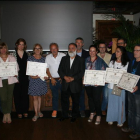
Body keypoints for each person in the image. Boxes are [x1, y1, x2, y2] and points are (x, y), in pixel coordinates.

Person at [58, 43, 85, 123]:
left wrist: (73, 78)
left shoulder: (81, 60)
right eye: (69, 48)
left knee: (75, 102)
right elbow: (60, 70)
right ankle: (64, 115)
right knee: (64, 101)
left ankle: (74, 116)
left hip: (75, 84)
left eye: (73, 48)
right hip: (65, 84)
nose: (71, 50)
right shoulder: (64, 59)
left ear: (76, 49)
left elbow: (82, 72)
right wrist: (65, 77)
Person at [106, 46, 129, 127]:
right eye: (116, 51)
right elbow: (108, 74)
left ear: (122, 53)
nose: (116, 53)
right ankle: (111, 118)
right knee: (111, 103)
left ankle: (120, 120)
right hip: (111, 86)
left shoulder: (126, 63)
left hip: (120, 87)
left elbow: (127, 76)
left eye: (118, 51)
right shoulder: (112, 62)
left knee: (120, 104)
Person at [85, 45, 107, 125]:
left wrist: (100, 80)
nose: (92, 52)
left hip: (97, 84)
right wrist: (83, 78)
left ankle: (98, 115)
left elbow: (106, 71)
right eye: (90, 51)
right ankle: (91, 113)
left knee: (97, 99)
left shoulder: (100, 61)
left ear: (96, 52)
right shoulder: (86, 60)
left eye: (93, 51)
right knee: (90, 99)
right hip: (88, 83)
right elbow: (84, 71)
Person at [122, 44, 140, 139]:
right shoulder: (132, 62)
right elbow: (128, 75)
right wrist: (123, 84)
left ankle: (137, 131)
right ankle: (131, 127)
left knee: (138, 113)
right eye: (134, 50)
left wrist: (138, 87)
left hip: (138, 92)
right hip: (129, 89)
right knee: (130, 110)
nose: (135, 52)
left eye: (137, 50)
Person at [28, 44, 48, 121]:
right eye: (36, 48)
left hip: (41, 80)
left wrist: (46, 76)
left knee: (39, 96)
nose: (37, 50)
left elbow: (46, 71)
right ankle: (36, 114)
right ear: (34, 49)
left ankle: (39, 111)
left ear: (41, 50)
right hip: (33, 81)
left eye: (39, 48)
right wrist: (33, 76)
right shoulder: (30, 58)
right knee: (35, 97)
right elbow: (29, 71)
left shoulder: (44, 59)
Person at [0, 42, 19, 123]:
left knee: (9, 97)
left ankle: (8, 114)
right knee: (3, 98)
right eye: (1, 48)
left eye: (4, 48)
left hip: (10, 80)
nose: (3, 50)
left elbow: (17, 68)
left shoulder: (11, 57)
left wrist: (15, 72)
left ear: (6, 48)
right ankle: (5, 113)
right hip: (1, 81)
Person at [45, 43, 65, 118]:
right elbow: (47, 69)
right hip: (53, 80)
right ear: (50, 50)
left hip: (62, 80)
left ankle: (64, 111)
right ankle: (55, 110)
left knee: (64, 96)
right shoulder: (47, 57)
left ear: (58, 48)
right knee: (55, 96)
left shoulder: (63, 55)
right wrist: (51, 78)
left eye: (55, 48)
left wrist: (63, 77)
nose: (54, 50)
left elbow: (66, 67)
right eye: (52, 49)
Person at [13, 38, 29, 118]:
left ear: (25, 45)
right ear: (17, 45)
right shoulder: (13, 54)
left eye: (23, 44)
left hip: (26, 78)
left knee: (25, 95)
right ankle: (19, 111)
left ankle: (25, 111)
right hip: (16, 78)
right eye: (20, 44)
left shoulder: (27, 54)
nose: (21, 46)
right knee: (17, 95)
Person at [75, 37, 89, 117]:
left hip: (83, 78)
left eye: (80, 42)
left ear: (83, 44)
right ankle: (75, 110)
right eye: (77, 42)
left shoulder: (87, 54)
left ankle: (82, 110)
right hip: (73, 78)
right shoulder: (71, 52)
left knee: (82, 95)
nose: (78, 44)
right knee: (74, 95)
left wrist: (84, 77)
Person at [97, 42, 111, 115]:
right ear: (98, 48)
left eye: (103, 47)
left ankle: (103, 109)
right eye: (100, 47)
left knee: (105, 95)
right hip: (97, 79)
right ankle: (97, 109)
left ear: (106, 48)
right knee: (97, 95)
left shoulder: (110, 56)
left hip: (106, 80)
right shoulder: (96, 55)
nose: (102, 49)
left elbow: (112, 68)